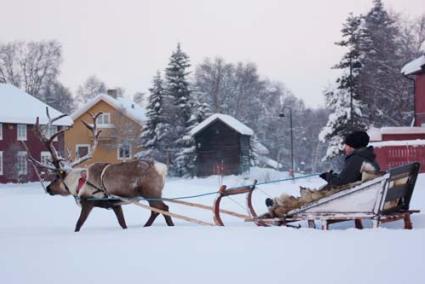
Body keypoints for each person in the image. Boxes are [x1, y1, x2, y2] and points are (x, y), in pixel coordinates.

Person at [263, 130, 381, 218]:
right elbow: (349, 179)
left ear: (352, 146)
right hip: (357, 196)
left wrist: (328, 176)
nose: (344, 148)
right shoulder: (367, 159)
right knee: (312, 195)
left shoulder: (356, 159)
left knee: (310, 199)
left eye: (346, 145)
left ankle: (279, 207)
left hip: (346, 198)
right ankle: (278, 203)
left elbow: (341, 182)